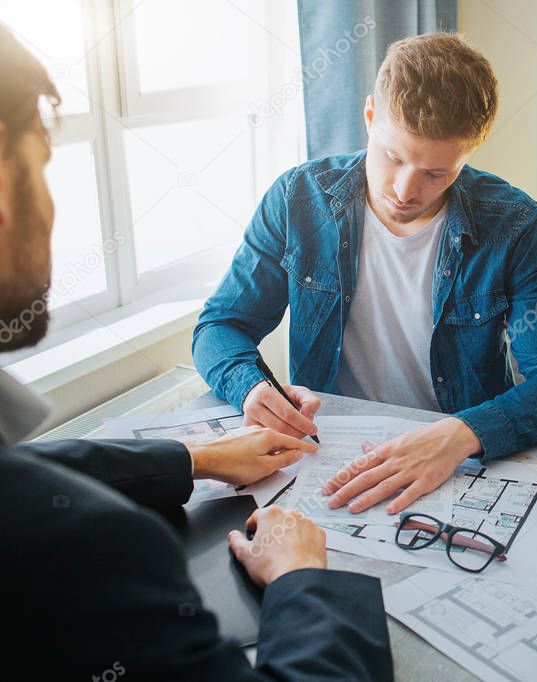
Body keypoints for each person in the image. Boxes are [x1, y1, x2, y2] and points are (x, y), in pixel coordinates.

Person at [0, 25, 392, 680]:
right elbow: (220, 326)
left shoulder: (512, 220)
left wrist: (195, 458)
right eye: (41, 164)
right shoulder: (92, 547)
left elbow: (24, 467)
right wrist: (303, 580)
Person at [193, 33, 537, 515]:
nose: (405, 190)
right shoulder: (298, 199)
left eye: (436, 173)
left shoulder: (517, 225)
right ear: (369, 117)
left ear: (470, 152)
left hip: (454, 458)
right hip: (327, 453)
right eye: (393, 156)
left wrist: (462, 434)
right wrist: (251, 386)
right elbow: (219, 326)